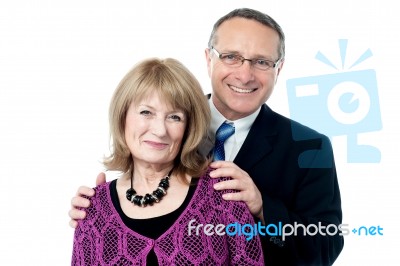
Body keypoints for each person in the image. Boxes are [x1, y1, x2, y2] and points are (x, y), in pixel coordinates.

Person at [70, 8, 344, 265]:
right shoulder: (169, 123)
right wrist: (100, 209)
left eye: (261, 62)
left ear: (279, 68)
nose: (244, 74)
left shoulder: (310, 147)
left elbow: (326, 247)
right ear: (208, 58)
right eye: (231, 56)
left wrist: (263, 209)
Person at [71, 58, 264, 265]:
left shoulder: (222, 195)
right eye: (146, 112)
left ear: (189, 127)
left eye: (174, 117)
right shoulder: (93, 208)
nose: (160, 130)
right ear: (122, 117)